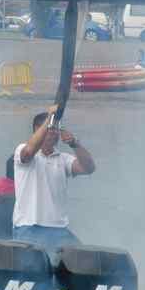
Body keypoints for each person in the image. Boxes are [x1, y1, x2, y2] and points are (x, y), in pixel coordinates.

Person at [12, 105, 96, 264]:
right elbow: (28, 153)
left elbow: (89, 168)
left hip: (58, 231)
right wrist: (50, 115)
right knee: (35, 270)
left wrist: (75, 144)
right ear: (38, 129)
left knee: (84, 261)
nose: (55, 133)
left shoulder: (63, 158)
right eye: (52, 129)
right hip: (28, 228)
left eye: (56, 129)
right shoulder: (22, 150)